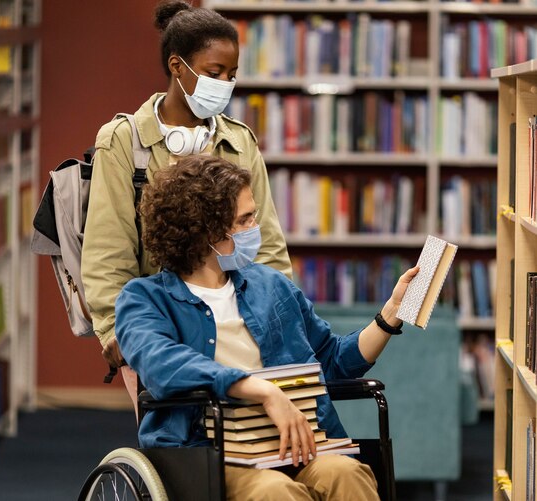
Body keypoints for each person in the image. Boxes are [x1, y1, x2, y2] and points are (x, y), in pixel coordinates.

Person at [115, 155, 420, 500]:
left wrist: (389, 315)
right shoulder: (144, 299)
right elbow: (163, 366)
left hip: (295, 441)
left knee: (347, 473)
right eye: (245, 220)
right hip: (208, 452)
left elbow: (330, 360)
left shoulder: (271, 286)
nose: (255, 227)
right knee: (274, 492)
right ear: (206, 231)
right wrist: (262, 391)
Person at [82, 0, 291, 371]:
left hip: (238, 324)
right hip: (158, 326)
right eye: (215, 72)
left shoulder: (239, 142)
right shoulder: (122, 142)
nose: (225, 84)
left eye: (231, 74)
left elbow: (268, 247)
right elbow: (108, 252)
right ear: (177, 66)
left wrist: (278, 319)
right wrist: (120, 331)